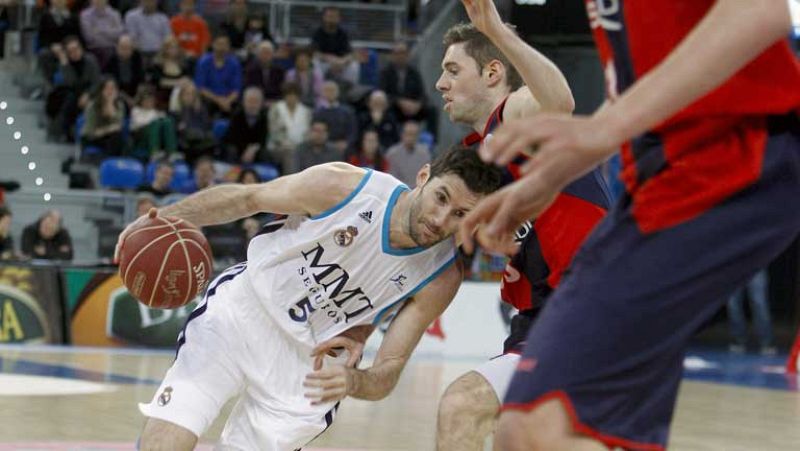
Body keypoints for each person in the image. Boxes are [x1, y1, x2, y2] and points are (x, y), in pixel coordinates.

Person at [457, 1, 800, 450]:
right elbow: (641, 80)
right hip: (669, 173)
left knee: (537, 428)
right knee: (530, 429)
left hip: (735, 154)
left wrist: (602, 131)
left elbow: (761, 10)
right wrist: (553, 174)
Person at [119, 145, 504, 451]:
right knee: (168, 437)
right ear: (423, 176)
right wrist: (165, 218)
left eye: (460, 214)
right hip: (243, 313)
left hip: (307, 371)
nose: (441, 219)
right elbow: (247, 199)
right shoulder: (347, 187)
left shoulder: (442, 275)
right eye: (440, 198)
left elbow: (388, 370)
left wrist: (351, 381)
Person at [432, 3, 611, 451]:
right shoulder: (477, 155)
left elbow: (560, 102)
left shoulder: (514, 115)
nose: (440, 83)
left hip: (589, 302)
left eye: (453, 70)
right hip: (541, 314)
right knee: (513, 435)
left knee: (463, 405)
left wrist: (493, 28)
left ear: (493, 73)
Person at [727, 269, 776, 355]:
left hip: (756, 263)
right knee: (733, 303)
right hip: (733, 264)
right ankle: (738, 339)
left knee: (759, 302)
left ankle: (766, 341)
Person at [267, 81, 312, 173]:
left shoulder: (306, 111)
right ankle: (291, 181)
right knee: (290, 153)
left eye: (294, 95)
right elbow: (274, 131)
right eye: (288, 95)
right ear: (284, 96)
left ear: (298, 96)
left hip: (301, 146)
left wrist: (300, 145)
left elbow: (308, 133)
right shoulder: (276, 109)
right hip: (279, 147)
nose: (291, 98)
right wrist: (286, 143)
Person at [194, 35, 242, 116]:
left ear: (228, 47)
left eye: (224, 45)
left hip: (229, 101)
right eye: (219, 44)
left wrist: (227, 101)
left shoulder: (234, 63)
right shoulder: (204, 62)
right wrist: (219, 100)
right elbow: (201, 88)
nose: (222, 48)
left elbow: (236, 89)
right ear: (213, 45)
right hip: (209, 100)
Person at [81, 77, 126, 161]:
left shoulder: (119, 105)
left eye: (113, 88)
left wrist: (110, 105)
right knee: (114, 137)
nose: (110, 91)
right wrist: (108, 129)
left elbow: (119, 126)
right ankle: (109, 163)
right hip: (92, 138)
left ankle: (115, 164)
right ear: (101, 90)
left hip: (109, 137)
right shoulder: (93, 106)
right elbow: (90, 132)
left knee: (118, 138)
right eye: (107, 88)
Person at [130, 84, 178, 161]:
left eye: (151, 101)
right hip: (140, 136)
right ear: (142, 101)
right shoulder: (136, 111)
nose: (149, 103)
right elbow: (139, 123)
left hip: (156, 136)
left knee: (168, 121)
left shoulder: (156, 112)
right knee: (155, 124)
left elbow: (163, 120)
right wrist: (155, 120)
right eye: (147, 101)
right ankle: (154, 152)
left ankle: (172, 152)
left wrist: (160, 119)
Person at [222, 86, 269, 164]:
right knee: (231, 150)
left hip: (255, 150)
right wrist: (246, 150)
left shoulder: (265, 117)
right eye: (250, 101)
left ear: (261, 103)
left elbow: (263, 139)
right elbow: (233, 138)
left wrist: (253, 149)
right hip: (238, 148)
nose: (252, 105)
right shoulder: (237, 116)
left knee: (265, 153)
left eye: (255, 101)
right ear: (244, 102)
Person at [123, 0, 171, 65]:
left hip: (158, 53)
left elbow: (167, 38)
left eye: (151, 1)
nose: (149, 3)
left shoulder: (163, 18)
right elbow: (131, 38)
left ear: (156, 2)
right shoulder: (131, 16)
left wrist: (160, 54)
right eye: (146, 1)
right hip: (139, 53)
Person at [79, 0, 124, 67]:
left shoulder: (115, 13)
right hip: (94, 49)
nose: (98, 1)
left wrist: (99, 30)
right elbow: (89, 38)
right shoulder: (85, 15)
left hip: (113, 48)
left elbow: (119, 35)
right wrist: (110, 30)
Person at [385, 121, 429, 188]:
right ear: (402, 134)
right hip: (398, 191)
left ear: (418, 136)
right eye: (408, 134)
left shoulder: (425, 154)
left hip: (419, 191)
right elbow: (390, 179)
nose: (411, 138)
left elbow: (426, 178)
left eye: (414, 134)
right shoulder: (392, 154)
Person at [103, 34, 144, 103]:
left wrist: (137, 97)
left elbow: (141, 79)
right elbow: (109, 81)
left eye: (128, 48)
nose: (125, 51)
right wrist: (125, 97)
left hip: (135, 91)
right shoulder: (111, 60)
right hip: (118, 92)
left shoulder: (137, 58)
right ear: (117, 48)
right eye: (122, 48)